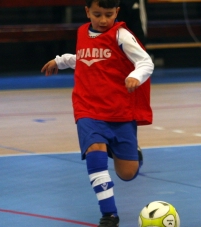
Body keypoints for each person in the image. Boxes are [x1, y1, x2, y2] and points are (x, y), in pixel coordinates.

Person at [41, 0, 154, 226]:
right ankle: (109, 214)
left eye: (108, 14)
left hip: (119, 110)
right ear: (87, 12)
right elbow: (84, 58)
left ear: (117, 12)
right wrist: (61, 60)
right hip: (88, 107)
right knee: (95, 152)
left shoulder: (121, 35)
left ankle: (131, 153)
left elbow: (146, 62)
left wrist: (136, 76)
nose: (103, 20)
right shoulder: (83, 31)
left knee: (128, 174)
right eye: (97, 14)